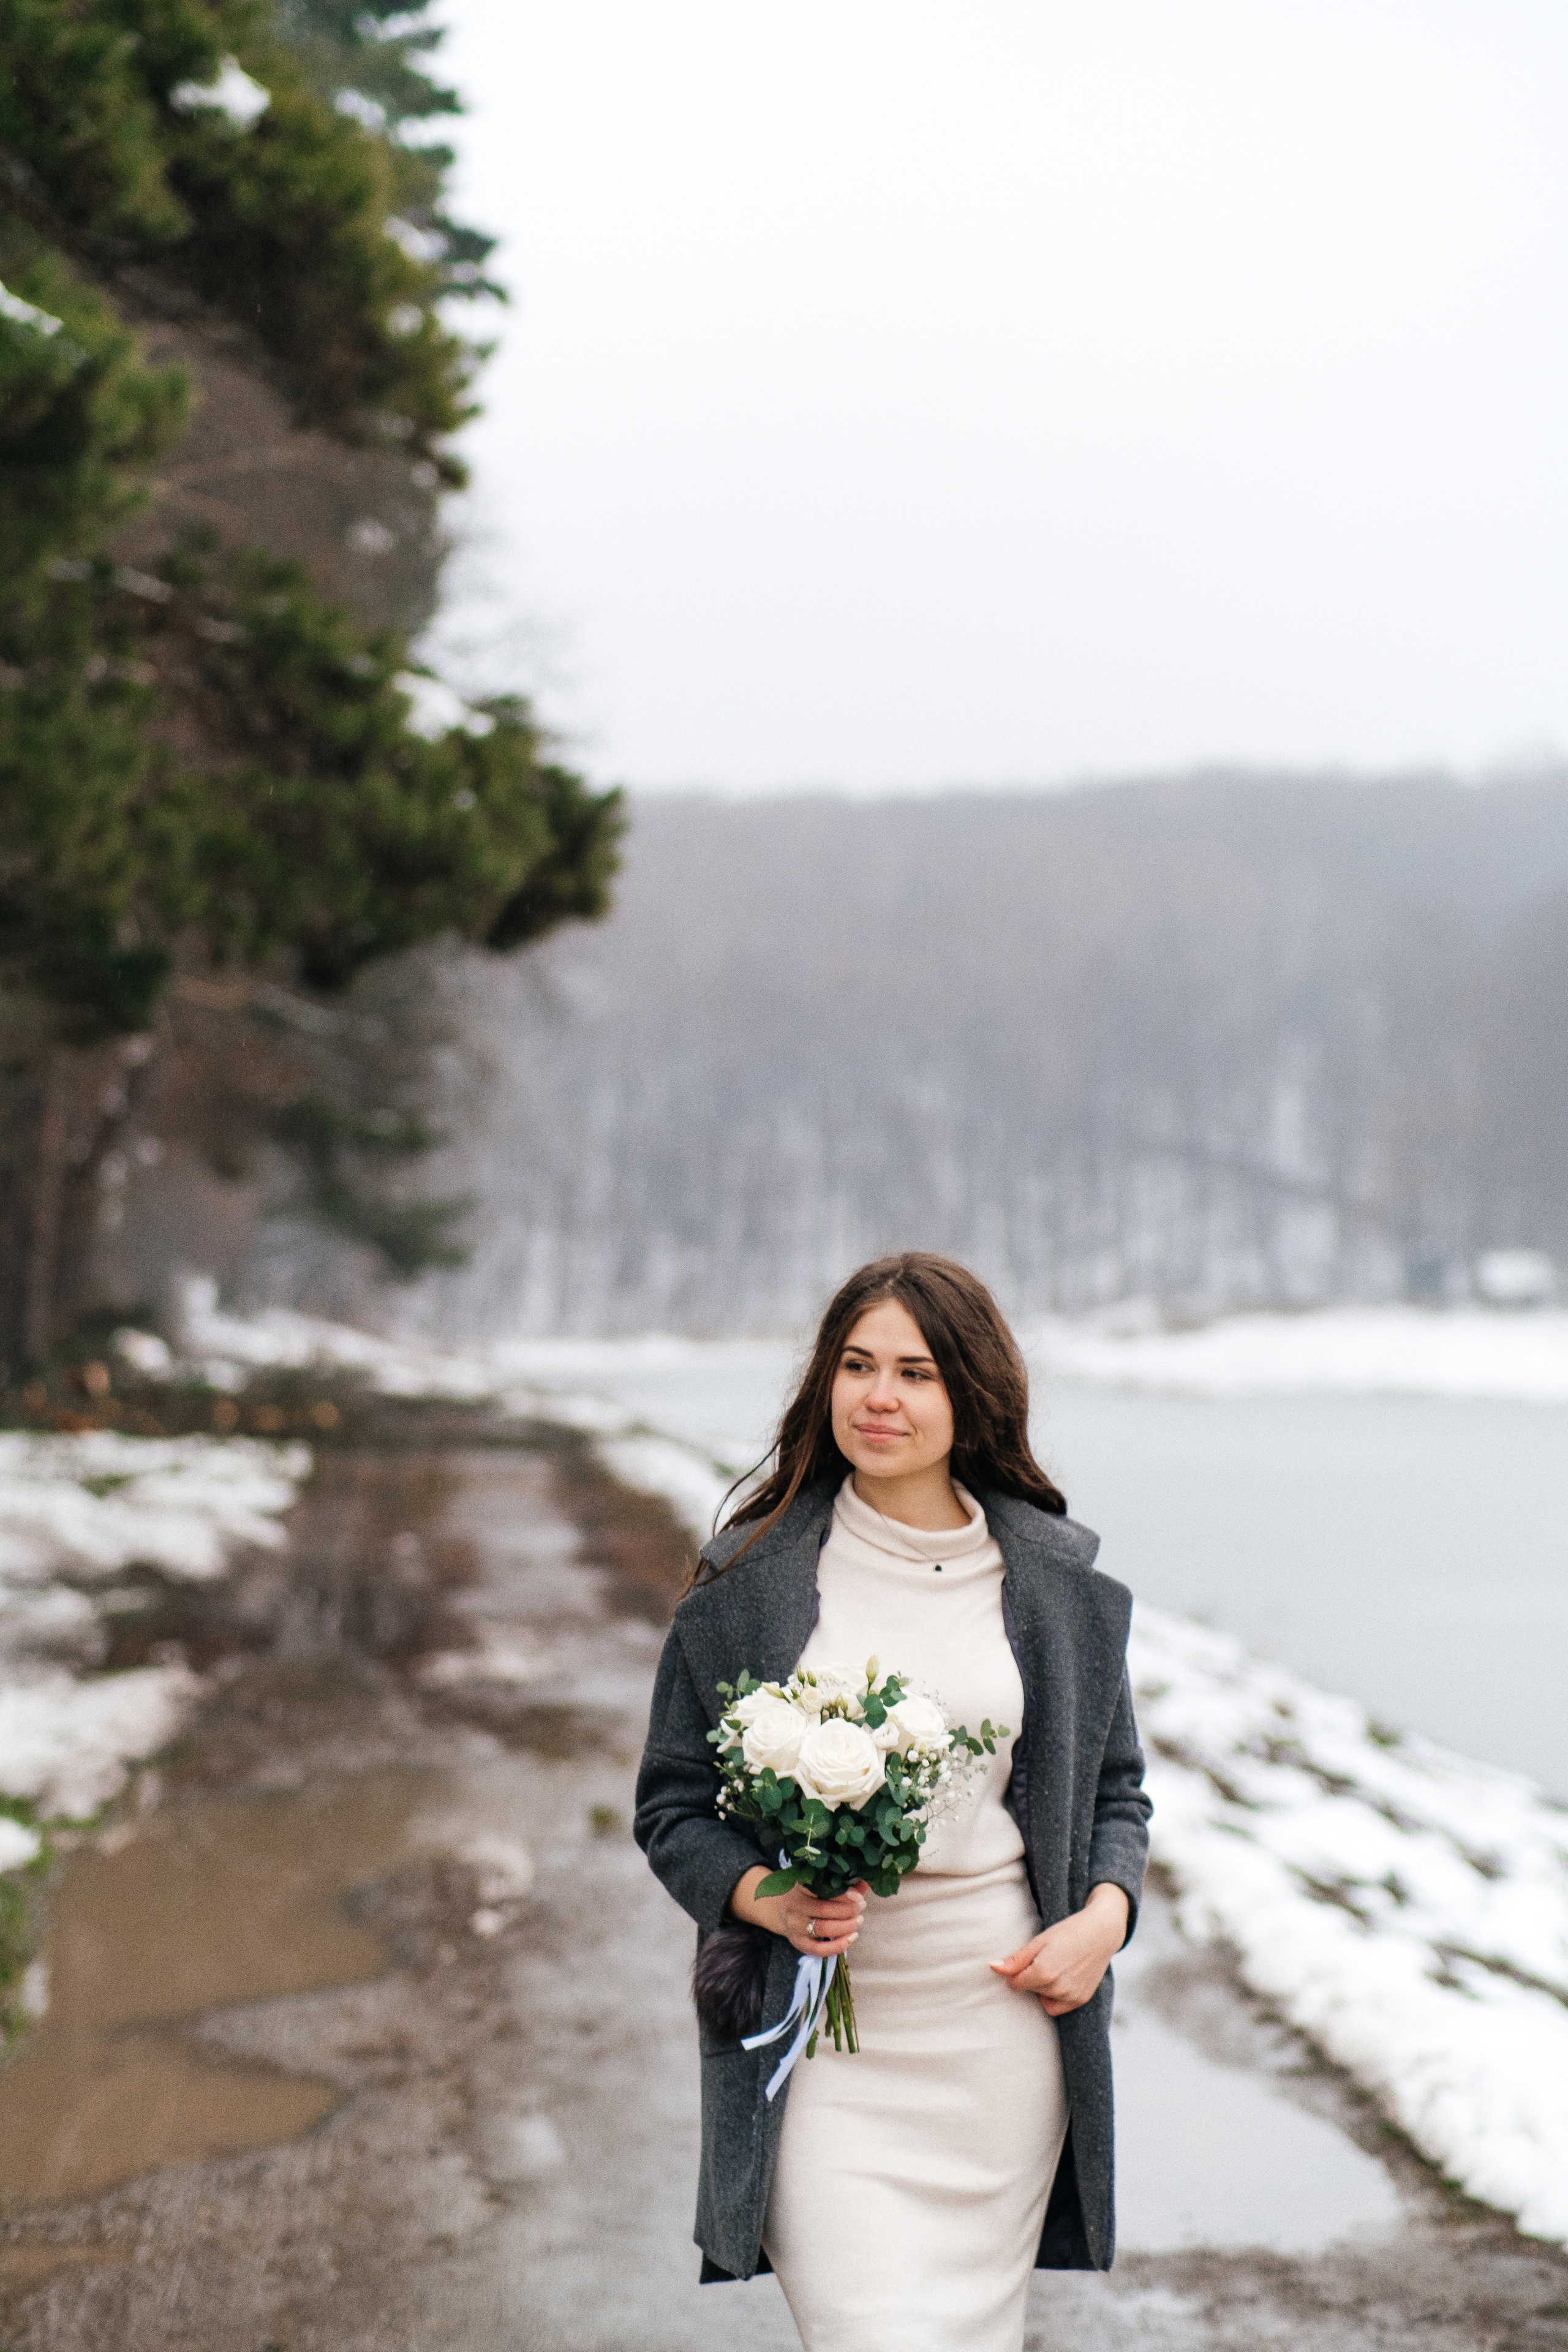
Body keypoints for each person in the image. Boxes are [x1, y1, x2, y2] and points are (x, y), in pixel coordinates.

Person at [634, 1253, 1151, 2352]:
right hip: (819, 2048)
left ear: (972, 1396)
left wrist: (1102, 1924)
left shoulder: (1057, 1587)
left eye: (917, 1373)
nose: (881, 1397)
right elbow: (672, 1804)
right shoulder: (748, 1584)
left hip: (1000, 2047)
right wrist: (765, 1895)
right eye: (858, 1365)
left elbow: (1116, 1791)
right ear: (825, 1381)